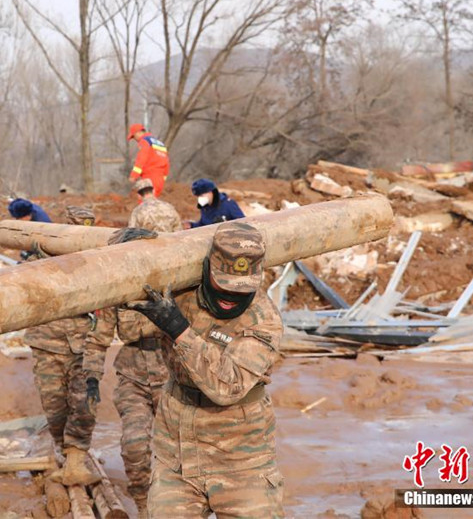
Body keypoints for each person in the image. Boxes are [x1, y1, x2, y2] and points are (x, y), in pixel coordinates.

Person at [128, 221, 285, 518]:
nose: (230, 299)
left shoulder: (264, 320)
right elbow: (123, 306)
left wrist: (178, 328)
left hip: (242, 462)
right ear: (206, 269)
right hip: (176, 456)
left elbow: (228, 386)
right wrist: (131, 253)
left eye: (242, 290)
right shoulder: (182, 292)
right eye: (223, 285)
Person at [84, 228, 168, 518]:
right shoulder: (116, 291)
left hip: (172, 373)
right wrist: (92, 377)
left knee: (180, 447)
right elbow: (98, 338)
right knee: (134, 444)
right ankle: (144, 507)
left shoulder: (173, 280)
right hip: (132, 375)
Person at [24, 206, 110, 487]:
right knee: (55, 409)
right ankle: (65, 452)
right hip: (47, 342)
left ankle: (75, 458)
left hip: (84, 343)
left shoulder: (99, 262)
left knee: (85, 403)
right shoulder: (43, 258)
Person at [127, 123, 170, 198]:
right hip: (160, 179)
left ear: (139, 132)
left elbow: (141, 159)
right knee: (154, 203)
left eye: (134, 136)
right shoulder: (160, 144)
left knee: (145, 205)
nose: (135, 139)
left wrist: (134, 175)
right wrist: (163, 178)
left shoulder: (144, 141)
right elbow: (167, 163)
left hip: (149, 178)